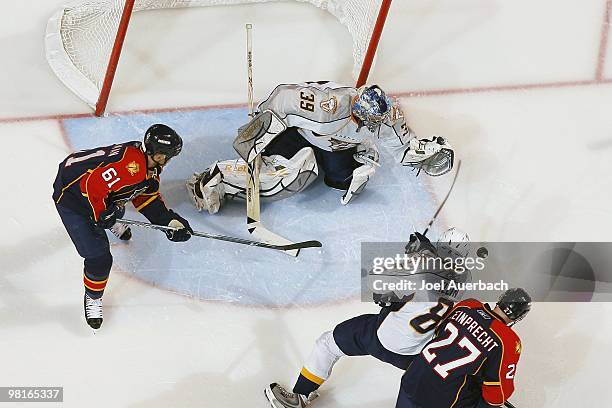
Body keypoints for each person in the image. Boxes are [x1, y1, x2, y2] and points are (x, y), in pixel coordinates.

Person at [264, 228, 472, 408]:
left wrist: (413, 255)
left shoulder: (424, 267)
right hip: (415, 356)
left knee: (328, 344)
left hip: (381, 338)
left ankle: (301, 395)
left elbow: (378, 289)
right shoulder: (463, 282)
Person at [186, 81, 455, 214]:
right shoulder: (328, 107)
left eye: (373, 122)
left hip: (335, 147)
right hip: (299, 135)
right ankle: (217, 177)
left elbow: (403, 147)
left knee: (344, 181)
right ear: (356, 108)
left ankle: (344, 165)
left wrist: (422, 152)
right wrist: (259, 127)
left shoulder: (386, 115)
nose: (367, 125)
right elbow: (283, 96)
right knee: (288, 179)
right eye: (363, 118)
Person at [52, 124, 193, 329]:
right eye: (167, 156)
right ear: (158, 154)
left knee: (118, 204)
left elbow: (145, 197)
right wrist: (101, 214)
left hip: (87, 183)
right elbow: (91, 186)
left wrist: (169, 222)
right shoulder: (131, 166)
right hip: (71, 197)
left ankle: (112, 221)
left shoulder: (145, 164)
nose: (168, 161)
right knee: (99, 258)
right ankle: (93, 297)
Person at [395, 288, 532, 408]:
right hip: (439, 399)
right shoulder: (508, 341)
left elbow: (440, 333)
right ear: (519, 317)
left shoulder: (469, 305)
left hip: (413, 376)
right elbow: (498, 395)